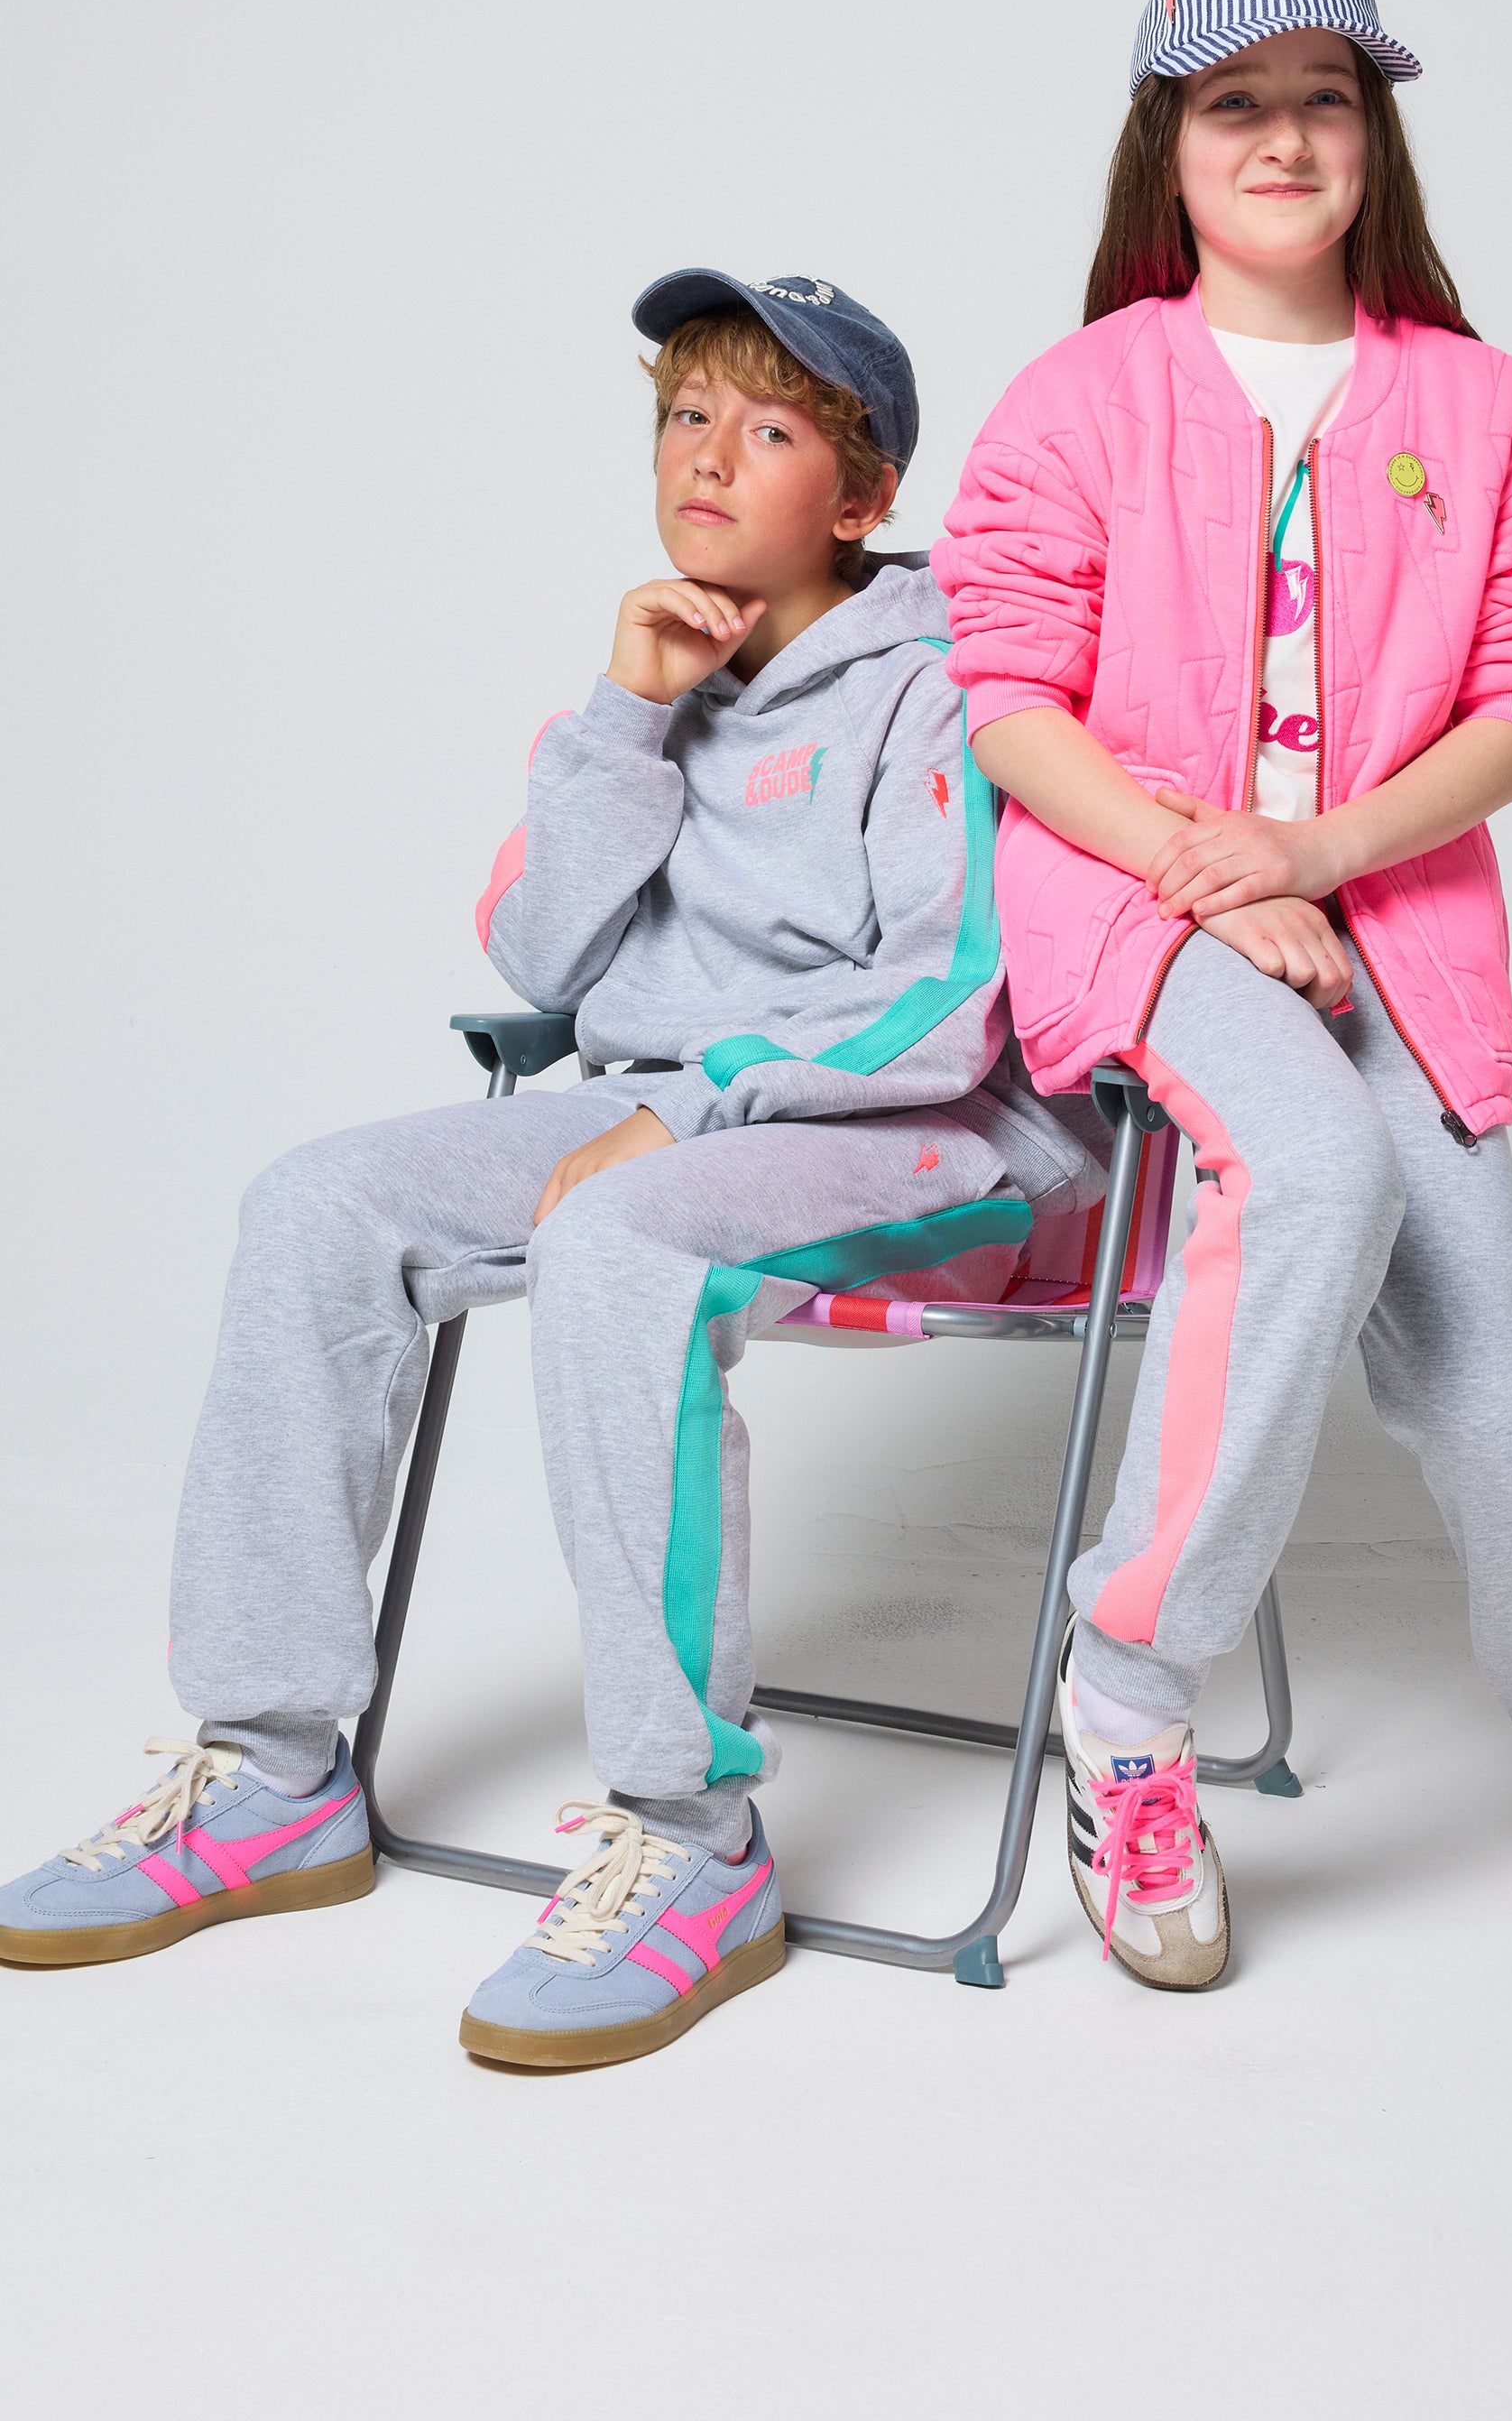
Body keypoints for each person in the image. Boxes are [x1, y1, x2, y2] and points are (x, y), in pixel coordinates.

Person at [0, 270, 1095, 2062]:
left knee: (624, 1242)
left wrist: (699, 1107)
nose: (709, 458)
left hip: (933, 1139)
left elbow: (950, 1002)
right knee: (315, 1204)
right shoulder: (648, 683)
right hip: (668, 1115)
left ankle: (690, 1839)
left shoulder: (954, 684)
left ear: (863, 493)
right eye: (686, 416)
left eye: (769, 428)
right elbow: (543, 959)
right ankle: (272, 1774)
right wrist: (626, 715)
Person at [935, 0, 1512, 1990]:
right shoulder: (1079, 396)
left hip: (1389, 916)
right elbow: (1015, 702)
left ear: (1375, 136)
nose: (1286, 137)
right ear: (1167, 144)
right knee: (1309, 1168)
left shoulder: (1490, 409)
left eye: (1326, 97)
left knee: (1491, 1377)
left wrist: (1314, 852)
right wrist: (1210, 871)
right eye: (1236, 101)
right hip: (1132, 897)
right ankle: (1130, 1704)